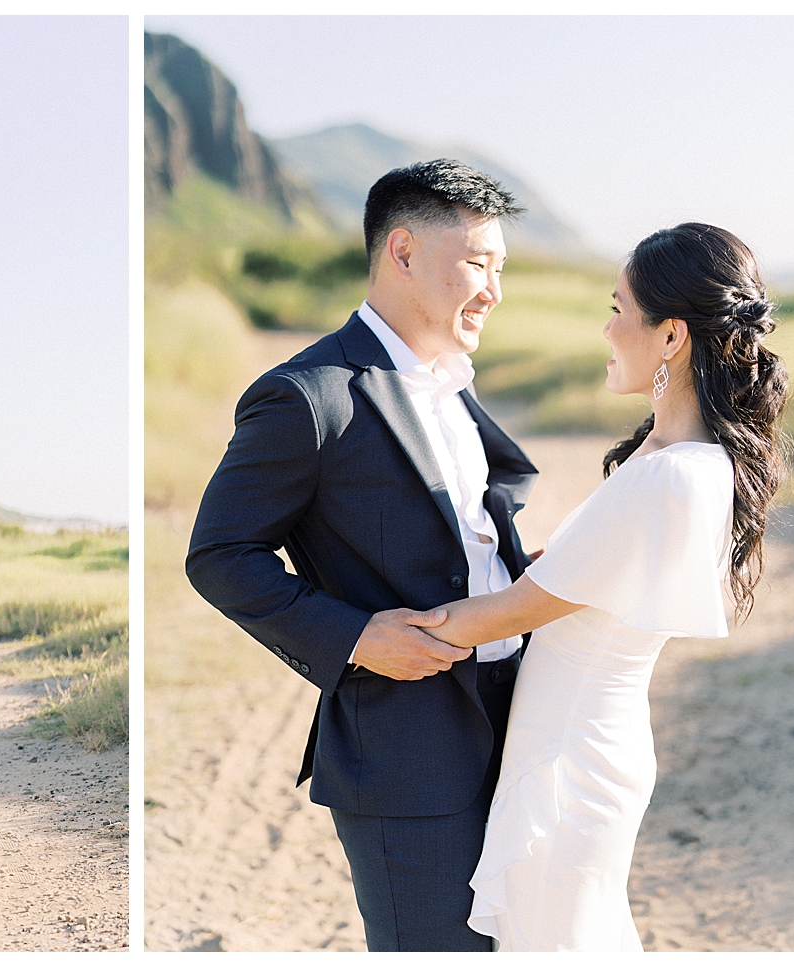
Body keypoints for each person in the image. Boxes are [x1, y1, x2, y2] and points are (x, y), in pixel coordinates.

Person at [389, 223, 787, 950]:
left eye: (617, 307)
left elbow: (506, 614)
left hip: (568, 763)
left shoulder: (668, 472)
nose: (605, 327)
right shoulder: (685, 458)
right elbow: (592, 580)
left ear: (670, 338)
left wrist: (365, 629)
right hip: (586, 742)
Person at [187, 159, 538, 951]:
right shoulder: (306, 395)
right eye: (478, 263)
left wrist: (516, 569)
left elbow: (466, 527)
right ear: (404, 252)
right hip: (405, 750)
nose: (494, 288)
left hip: (517, 719)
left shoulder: (452, 381)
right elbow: (218, 554)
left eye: (502, 267)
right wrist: (355, 637)